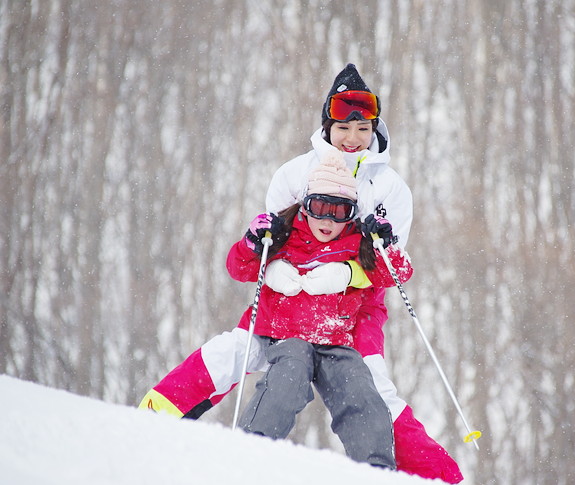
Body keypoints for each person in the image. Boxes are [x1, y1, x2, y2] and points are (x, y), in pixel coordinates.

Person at [139, 64, 463, 483]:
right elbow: (271, 241)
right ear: (326, 127)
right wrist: (272, 266)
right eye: (342, 127)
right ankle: (151, 418)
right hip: (286, 302)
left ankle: (432, 476)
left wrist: (346, 275)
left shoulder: (390, 189)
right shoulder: (294, 174)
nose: (352, 138)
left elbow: (390, 269)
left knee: (371, 390)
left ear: (375, 130)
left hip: (353, 312)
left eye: (362, 128)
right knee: (232, 354)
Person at [231, 154, 411, 469]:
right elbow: (239, 269)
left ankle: (377, 467)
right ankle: (252, 447)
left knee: (358, 388)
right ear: (305, 206)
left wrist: (387, 243)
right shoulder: (286, 234)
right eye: (319, 209)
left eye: (340, 211)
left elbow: (396, 274)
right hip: (288, 336)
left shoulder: (357, 243)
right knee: (288, 379)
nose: (327, 221)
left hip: (336, 338)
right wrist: (253, 243)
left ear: (351, 214)